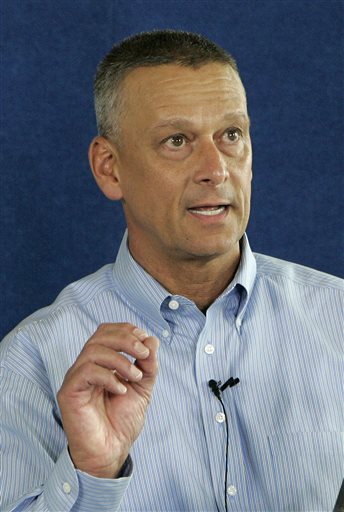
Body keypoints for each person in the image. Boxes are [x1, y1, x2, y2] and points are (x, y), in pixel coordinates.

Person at [0, 30, 342, 512]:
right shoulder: (27, 364)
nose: (216, 169)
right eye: (177, 141)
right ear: (109, 168)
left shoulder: (338, 319)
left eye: (232, 135)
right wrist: (92, 474)